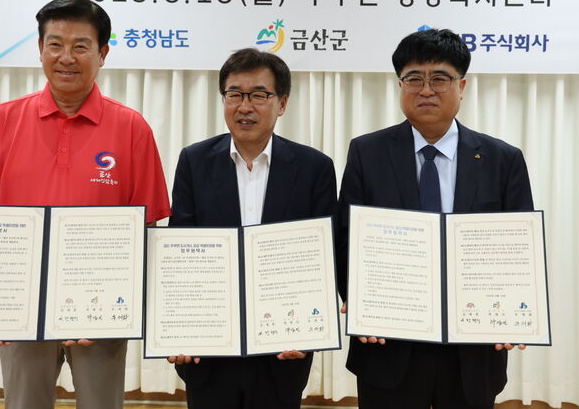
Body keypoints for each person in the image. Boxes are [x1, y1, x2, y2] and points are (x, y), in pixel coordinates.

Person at [0, 0, 171, 409]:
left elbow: (146, 228)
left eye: (81, 46)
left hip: (100, 309)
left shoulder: (132, 128)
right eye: (55, 44)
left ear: (103, 53)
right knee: (24, 403)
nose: (66, 57)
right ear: (40, 49)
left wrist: (123, 305)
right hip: (20, 307)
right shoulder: (1, 122)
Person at [337, 28, 533, 409]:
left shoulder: (502, 160)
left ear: (462, 86)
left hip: (471, 350)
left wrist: (514, 311)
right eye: (414, 79)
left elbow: (517, 250)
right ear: (400, 86)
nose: (426, 90)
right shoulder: (367, 153)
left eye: (439, 79)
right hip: (388, 345)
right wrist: (359, 301)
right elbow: (346, 238)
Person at [168, 48, 337, 409]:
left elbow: (323, 258)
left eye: (259, 95)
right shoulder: (194, 161)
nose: (245, 106)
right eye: (235, 94)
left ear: (282, 103)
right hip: (209, 347)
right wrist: (179, 329)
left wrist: (307, 329)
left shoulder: (314, 168)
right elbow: (181, 252)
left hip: (282, 346)